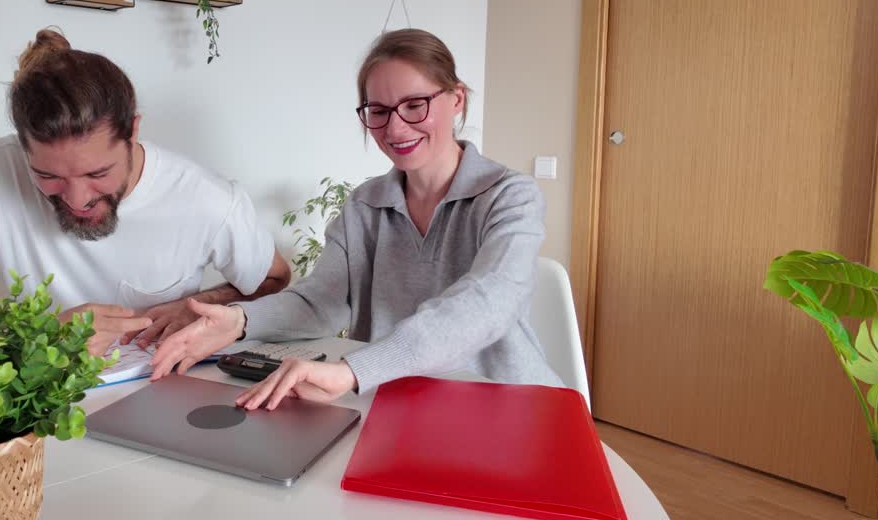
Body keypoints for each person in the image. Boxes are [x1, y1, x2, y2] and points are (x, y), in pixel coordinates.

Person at [137, 28, 562, 406]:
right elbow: (323, 302)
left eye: (415, 105)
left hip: (507, 404)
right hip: (398, 400)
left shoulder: (511, 197)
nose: (395, 130)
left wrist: (354, 370)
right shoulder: (364, 206)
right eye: (378, 111)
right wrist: (241, 320)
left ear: (456, 99)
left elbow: (487, 304)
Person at [0, 29, 291, 355]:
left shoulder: (208, 197)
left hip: (162, 400)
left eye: (98, 172)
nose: (76, 198)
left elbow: (273, 281)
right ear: (22, 147)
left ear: (133, 132)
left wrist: (202, 305)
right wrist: (36, 342)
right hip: (31, 411)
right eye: (48, 176)